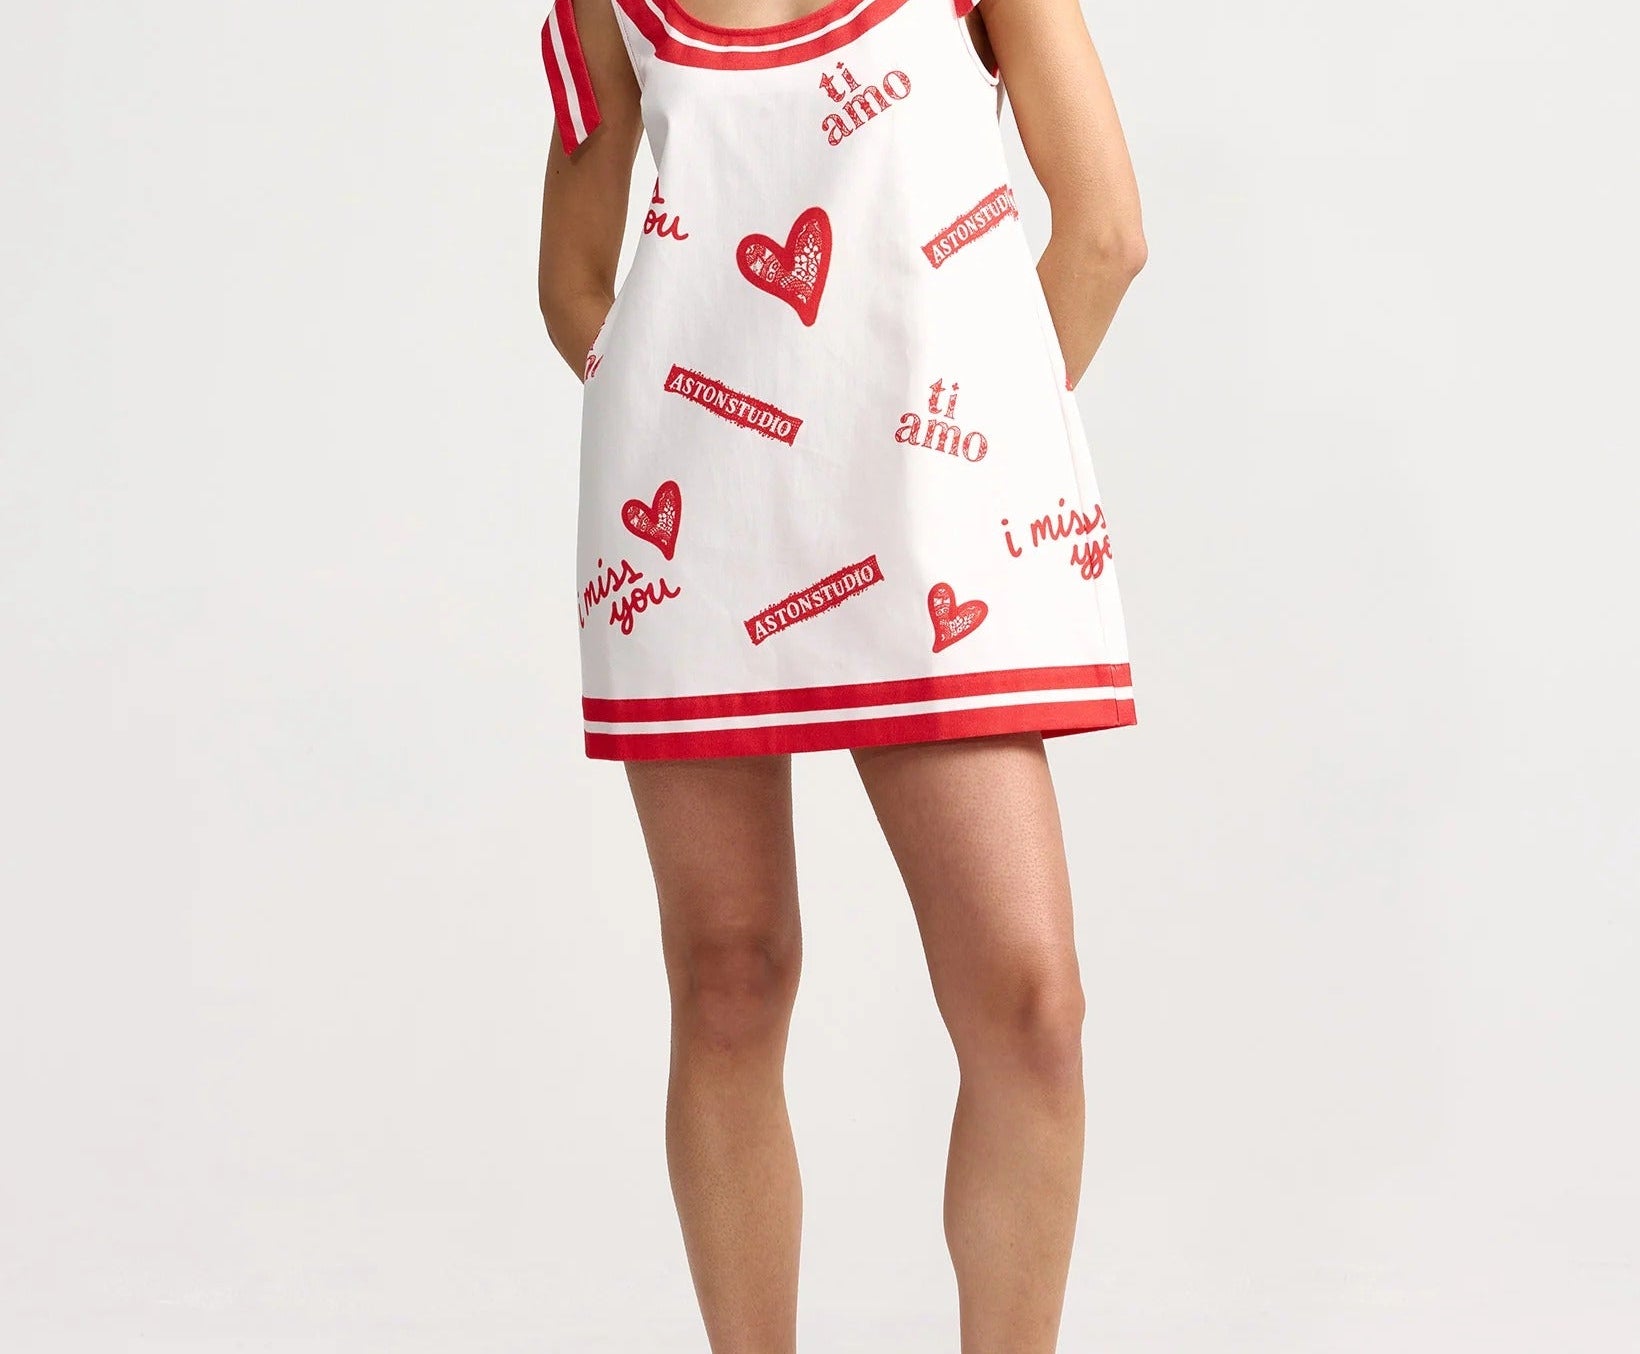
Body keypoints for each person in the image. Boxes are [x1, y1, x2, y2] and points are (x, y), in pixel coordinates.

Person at [536, 0, 1145, 1347]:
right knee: (729, 978)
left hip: (930, 527)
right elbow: (574, 278)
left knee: (1030, 1006)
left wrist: (957, 461)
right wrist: (689, 438)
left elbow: (1106, 231)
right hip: (691, 537)